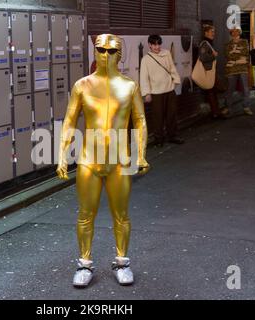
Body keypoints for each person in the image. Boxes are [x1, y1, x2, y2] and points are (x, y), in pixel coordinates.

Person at [57, 34, 150, 288]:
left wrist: (141, 153)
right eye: (100, 49)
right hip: (89, 160)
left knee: (121, 215)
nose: (105, 55)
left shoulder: (129, 86)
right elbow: (69, 120)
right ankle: (84, 264)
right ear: (94, 51)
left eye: (111, 51)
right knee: (85, 214)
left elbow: (140, 121)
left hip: (120, 160)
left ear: (120, 54)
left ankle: (122, 262)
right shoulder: (82, 85)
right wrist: (62, 154)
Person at [140, 34, 184, 147]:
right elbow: (144, 78)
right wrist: (147, 93)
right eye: (154, 44)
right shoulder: (146, 59)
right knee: (157, 117)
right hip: (156, 93)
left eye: (159, 44)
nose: (157, 47)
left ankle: (173, 136)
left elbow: (172, 68)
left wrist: (175, 80)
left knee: (172, 114)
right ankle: (158, 139)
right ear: (149, 45)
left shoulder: (167, 54)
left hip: (169, 89)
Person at [199, 25, 228, 119]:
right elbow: (203, 58)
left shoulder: (209, 43)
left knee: (213, 92)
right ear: (206, 33)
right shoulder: (204, 43)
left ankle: (216, 112)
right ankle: (216, 112)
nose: (213, 34)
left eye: (214, 32)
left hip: (210, 71)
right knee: (212, 92)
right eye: (211, 32)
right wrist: (213, 55)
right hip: (208, 72)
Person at [224, 26, 253, 116]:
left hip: (242, 68)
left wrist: (234, 59)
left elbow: (245, 54)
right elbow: (228, 56)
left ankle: (246, 107)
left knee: (245, 88)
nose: (235, 33)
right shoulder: (228, 44)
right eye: (233, 31)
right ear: (231, 33)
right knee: (230, 89)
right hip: (231, 70)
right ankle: (228, 107)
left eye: (237, 31)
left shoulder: (244, 42)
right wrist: (239, 58)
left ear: (240, 32)